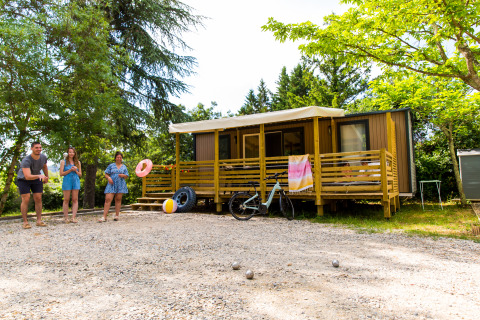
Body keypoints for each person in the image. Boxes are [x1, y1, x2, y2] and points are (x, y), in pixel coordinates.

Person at [17, 141, 49, 229]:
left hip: (36, 178)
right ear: (31, 148)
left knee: (38, 198)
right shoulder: (26, 160)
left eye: (40, 147)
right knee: (26, 198)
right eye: (36, 148)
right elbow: (27, 176)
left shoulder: (43, 157)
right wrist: (40, 175)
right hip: (24, 179)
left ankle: (39, 221)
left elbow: (45, 166)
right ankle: (25, 222)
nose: (39, 149)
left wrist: (46, 177)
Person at [98, 151, 129, 222]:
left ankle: (117, 215)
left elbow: (127, 176)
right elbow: (106, 174)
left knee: (118, 199)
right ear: (115, 158)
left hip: (120, 184)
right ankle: (104, 216)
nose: (119, 158)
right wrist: (109, 178)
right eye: (118, 157)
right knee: (108, 199)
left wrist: (123, 175)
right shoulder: (111, 165)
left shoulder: (124, 166)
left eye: (120, 157)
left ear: (122, 158)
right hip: (111, 183)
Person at [60, 147, 82, 223]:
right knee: (66, 200)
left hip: (75, 181)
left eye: (72, 152)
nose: (71, 153)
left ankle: (73, 217)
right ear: (67, 153)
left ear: (75, 153)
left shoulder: (78, 162)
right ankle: (66, 217)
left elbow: (80, 174)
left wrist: (75, 170)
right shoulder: (63, 162)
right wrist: (70, 170)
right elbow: (61, 173)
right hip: (67, 180)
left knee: (75, 200)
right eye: (70, 152)